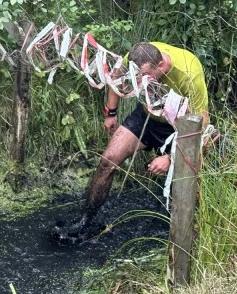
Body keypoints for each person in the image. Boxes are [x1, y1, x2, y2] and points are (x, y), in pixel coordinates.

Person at [61, 41, 210, 238]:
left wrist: (171, 159)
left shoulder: (189, 73)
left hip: (180, 128)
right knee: (108, 161)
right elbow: (116, 80)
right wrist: (111, 113)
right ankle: (84, 221)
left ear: (161, 66)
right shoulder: (135, 57)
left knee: (185, 179)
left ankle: (186, 234)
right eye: (136, 78)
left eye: (145, 78)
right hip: (146, 118)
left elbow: (203, 129)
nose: (139, 83)